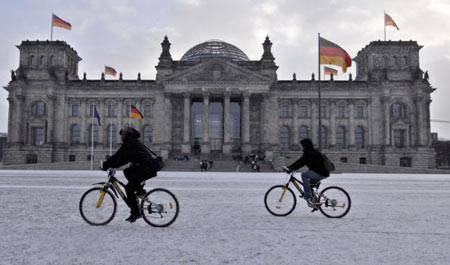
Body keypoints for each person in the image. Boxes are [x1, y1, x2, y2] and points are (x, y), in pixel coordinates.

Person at [102, 127, 156, 223]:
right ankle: (140, 191)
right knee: (127, 172)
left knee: (129, 188)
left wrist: (107, 165)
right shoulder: (133, 142)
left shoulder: (130, 143)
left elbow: (120, 156)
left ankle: (136, 212)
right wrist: (113, 164)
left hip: (146, 168)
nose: (122, 137)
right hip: (146, 167)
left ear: (127, 135)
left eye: (123, 135)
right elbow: (122, 158)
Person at [283, 138, 330, 204]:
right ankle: (314, 202)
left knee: (304, 175)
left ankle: (308, 194)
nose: (302, 147)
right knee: (308, 184)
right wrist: (291, 168)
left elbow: (301, 162)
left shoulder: (309, 153)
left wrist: (290, 168)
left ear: (306, 145)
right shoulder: (311, 151)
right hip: (321, 172)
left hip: (321, 173)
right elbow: (301, 162)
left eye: (303, 145)